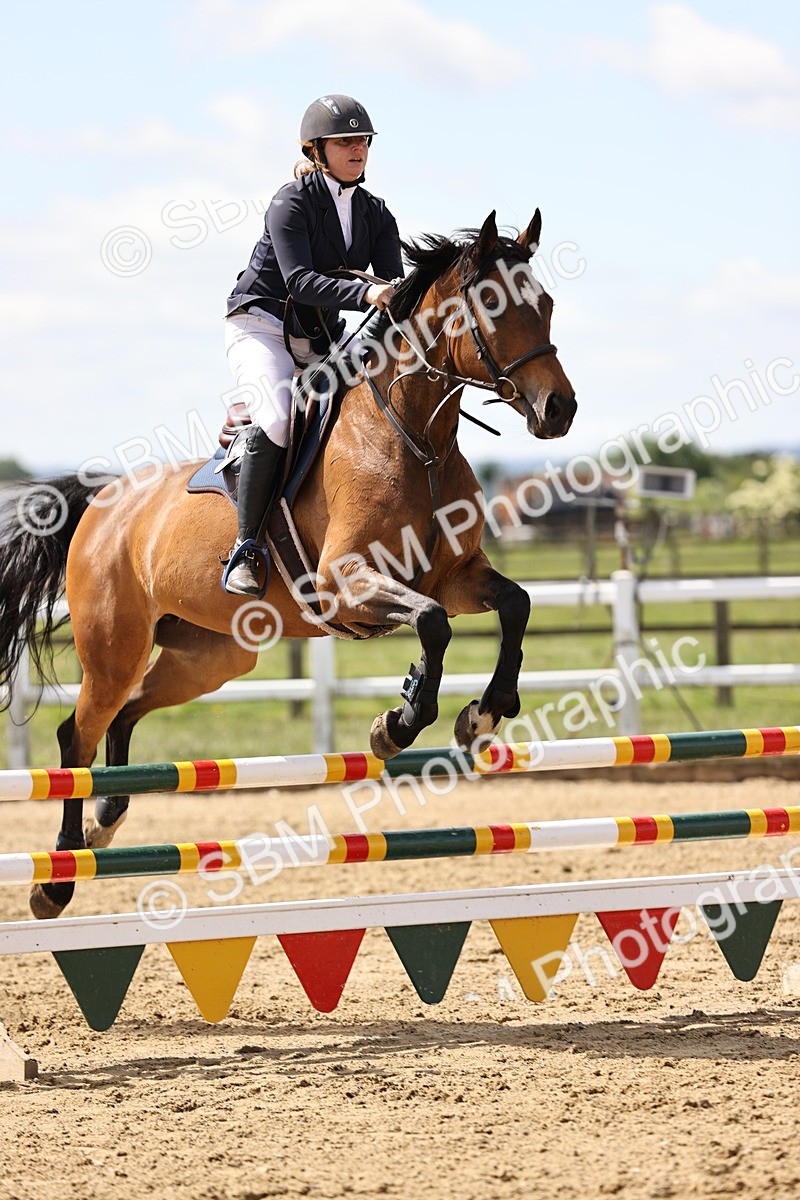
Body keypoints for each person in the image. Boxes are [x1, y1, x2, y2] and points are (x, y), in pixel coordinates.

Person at [223, 94, 404, 596]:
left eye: (362, 140)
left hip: (321, 337)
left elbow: (396, 288)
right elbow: (300, 281)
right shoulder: (291, 202)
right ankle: (246, 547)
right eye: (345, 140)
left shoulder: (375, 213)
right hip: (260, 325)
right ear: (317, 150)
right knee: (279, 419)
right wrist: (367, 290)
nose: (357, 148)